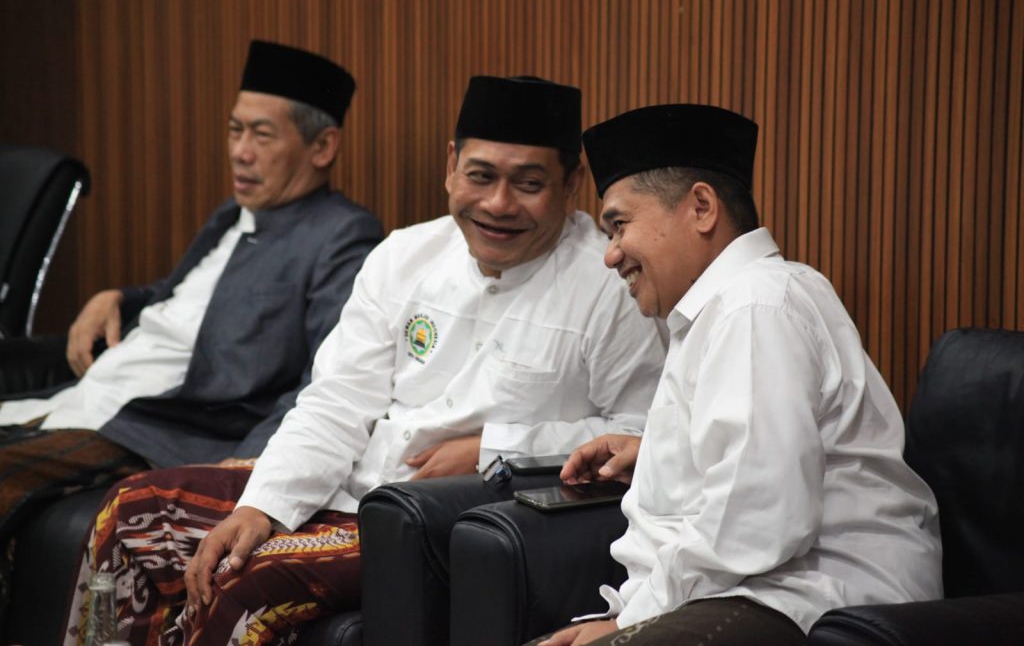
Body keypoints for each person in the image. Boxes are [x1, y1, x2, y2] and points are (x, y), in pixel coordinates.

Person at [63, 76, 667, 645]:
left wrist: (497, 449)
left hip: (445, 520)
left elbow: (639, 434)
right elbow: (337, 400)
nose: (498, 204)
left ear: (571, 182)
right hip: (351, 483)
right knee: (132, 512)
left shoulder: (611, 284)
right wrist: (264, 505)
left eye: (528, 184)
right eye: (480, 176)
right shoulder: (404, 255)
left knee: (246, 578)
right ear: (450, 165)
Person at [537, 104, 943, 646]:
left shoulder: (756, 304)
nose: (610, 256)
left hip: (811, 599)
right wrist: (658, 452)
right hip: (746, 593)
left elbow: (758, 520)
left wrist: (627, 625)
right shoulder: (727, 306)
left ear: (701, 208)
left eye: (620, 226)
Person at [0, 39, 382, 606]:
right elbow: (190, 297)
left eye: (262, 135)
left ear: (322, 146)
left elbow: (326, 379)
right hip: (90, 398)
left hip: (158, 427)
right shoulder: (233, 213)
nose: (240, 153)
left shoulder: (340, 235)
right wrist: (120, 297)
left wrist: (248, 463)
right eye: (235, 131)